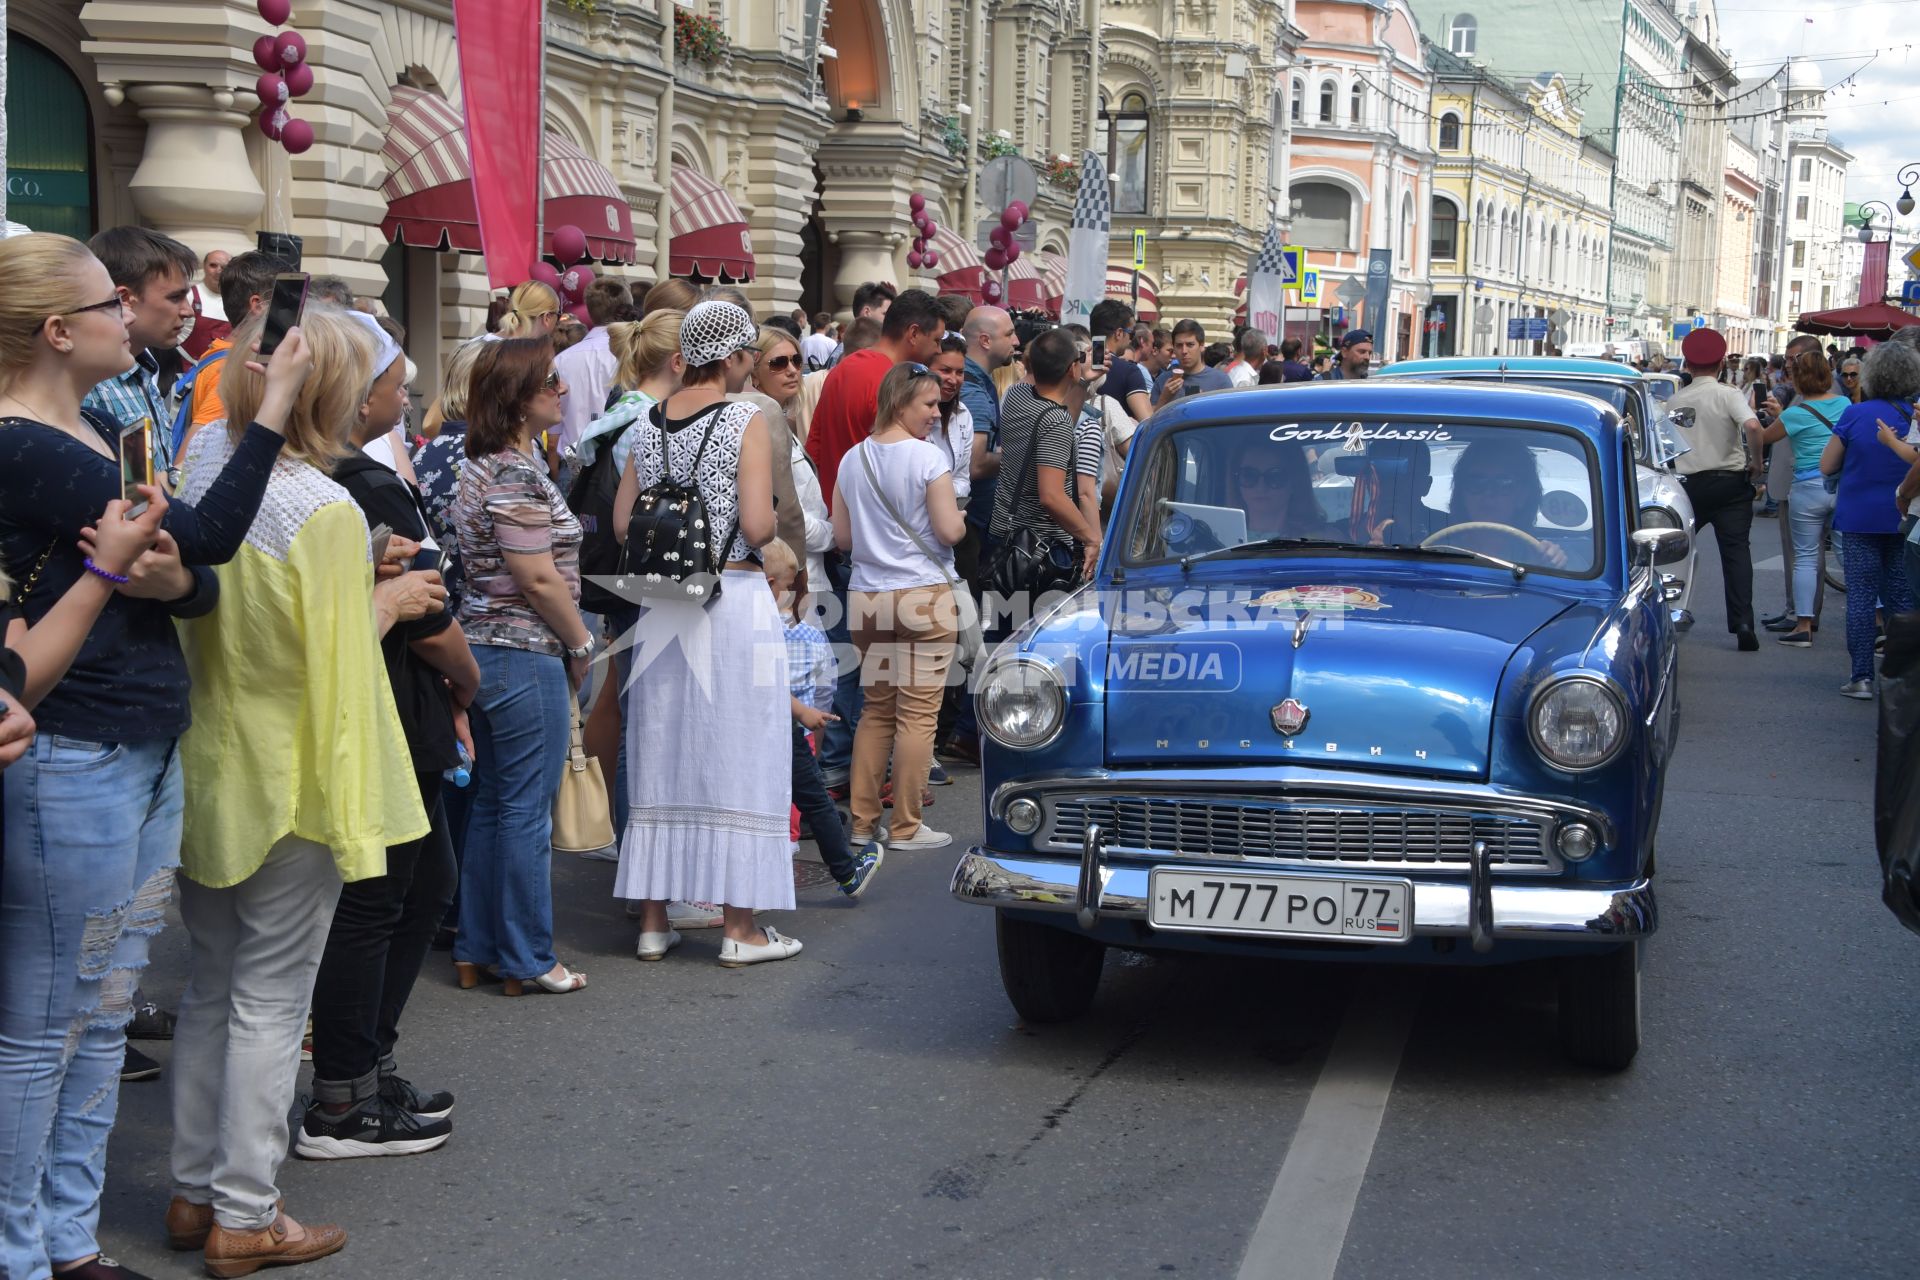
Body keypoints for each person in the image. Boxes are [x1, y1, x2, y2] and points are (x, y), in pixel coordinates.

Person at [0, 231, 314, 1280]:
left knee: (99, 1009)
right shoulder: (28, 444)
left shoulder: (87, 424)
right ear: (58, 330)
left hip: (130, 740)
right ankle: (24, 1251)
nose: (136, 319)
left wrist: (174, 576)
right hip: (76, 746)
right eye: (108, 305)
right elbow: (210, 535)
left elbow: (190, 571)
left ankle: (66, 1239)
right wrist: (268, 413)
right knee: (50, 1019)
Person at [166, 303, 443, 1276]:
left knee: (210, 986)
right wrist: (384, 594)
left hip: (209, 760)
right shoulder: (320, 506)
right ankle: (246, 1206)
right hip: (293, 774)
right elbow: (337, 660)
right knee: (270, 1003)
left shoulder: (203, 457)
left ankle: (198, 1190)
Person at [296, 314, 478, 1161]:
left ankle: (364, 1067)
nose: (404, 399)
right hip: (391, 702)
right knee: (380, 896)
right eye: (394, 385)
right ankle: (344, 1095)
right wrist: (466, 683)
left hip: (386, 698)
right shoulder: (353, 481)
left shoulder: (333, 472)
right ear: (353, 388)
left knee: (419, 883)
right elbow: (428, 609)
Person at [611, 301, 800, 967]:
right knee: (741, 756)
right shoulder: (743, 418)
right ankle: (740, 928)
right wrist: (772, 529)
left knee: (663, 752)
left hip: (666, 602)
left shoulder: (647, 418)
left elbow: (621, 522)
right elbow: (755, 526)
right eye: (750, 353)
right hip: (734, 599)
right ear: (734, 356)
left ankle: (655, 922)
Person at [450, 336, 593, 995]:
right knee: (521, 811)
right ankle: (526, 955)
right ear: (518, 398)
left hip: (490, 646)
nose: (561, 392)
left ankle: (480, 947)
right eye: (550, 383)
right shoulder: (510, 469)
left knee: (493, 806)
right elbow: (536, 577)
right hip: (520, 647)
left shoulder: (491, 462)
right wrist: (580, 643)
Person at [806, 290, 946, 788]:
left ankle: (843, 770)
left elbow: (817, 445)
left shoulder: (843, 369)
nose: (937, 349)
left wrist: (839, 515)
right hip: (899, 557)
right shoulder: (888, 388)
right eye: (934, 339)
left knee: (858, 674)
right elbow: (897, 468)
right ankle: (891, 788)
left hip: (851, 542)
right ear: (912, 333)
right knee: (901, 705)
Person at [831, 363, 967, 852]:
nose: (936, 412)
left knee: (875, 712)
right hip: (922, 595)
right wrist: (961, 520)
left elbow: (843, 538)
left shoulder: (852, 460)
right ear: (900, 402)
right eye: (929, 404)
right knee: (917, 717)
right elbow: (950, 532)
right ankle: (907, 826)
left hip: (868, 597)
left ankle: (863, 824)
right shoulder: (928, 459)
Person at [762, 538, 877, 897]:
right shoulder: (809, 634)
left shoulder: (747, 628)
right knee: (813, 797)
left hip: (758, 726)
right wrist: (810, 713)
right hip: (790, 725)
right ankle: (846, 872)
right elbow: (826, 682)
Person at [1822, 340, 1920, 698]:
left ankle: (1861, 676)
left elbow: (1827, 465)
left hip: (1859, 516)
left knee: (1861, 598)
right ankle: (1903, 676)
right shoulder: (1915, 413)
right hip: (1906, 517)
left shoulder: (1855, 414)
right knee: (1902, 596)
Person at [1669, 326, 1764, 650]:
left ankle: (1671, 612)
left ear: (1687, 363)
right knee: (1736, 553)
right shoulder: (1728, 394)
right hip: (1729, 483)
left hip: (1689, 486)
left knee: (1677, 551)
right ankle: (1743, 622)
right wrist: (1757, 460)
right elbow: (1752, 424)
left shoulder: (1675, 401)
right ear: (1722, 362)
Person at [82, 227, 199, 484]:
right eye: (175, 297)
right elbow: (131, 496)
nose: (188, 311)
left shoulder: (143, 369)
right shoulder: (91, 384)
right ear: (125, 299)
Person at [990, 328, 1101, 582]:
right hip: (1037, 553)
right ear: (1072, 367)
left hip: (1003, 537)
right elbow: (1051, 496)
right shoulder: (1054, 422)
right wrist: (1090, 537)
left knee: (1003, 619)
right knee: (1034, 621)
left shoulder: (1017, 395)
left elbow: (1058, 420)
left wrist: (1082, 382)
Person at [1766, 347, 1846, 648]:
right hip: (1839, 486)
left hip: (1806, 489)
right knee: (1850, 555)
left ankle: (1803, 625)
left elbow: (1765, 437)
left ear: (1797, 380)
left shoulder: (1795, 414)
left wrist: (1779, 416)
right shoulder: (1844, 404)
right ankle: (1877, 620)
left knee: (1806, 558)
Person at [184, 250, 285, 445]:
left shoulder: (225, 353)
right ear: (259, 306)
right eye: (286, 301)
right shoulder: (232, 370)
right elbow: (189, 457)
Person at [553, 278, 630, 460]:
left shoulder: (559, 361)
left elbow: (553, 433)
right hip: (614, 461)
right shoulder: (628, 356)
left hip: (572, 460)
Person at [1228, 435, 1323, 540]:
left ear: (1295, 482)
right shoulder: (1218, 541)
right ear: (1236, 481)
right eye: (1249, 475)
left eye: (1275, 476)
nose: (1261, 487)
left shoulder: (1324, 543)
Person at [1090, 299, 1150, 422]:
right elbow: (1147, 422)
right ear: (1119, 333)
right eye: (1131, 334)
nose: (1131, 340)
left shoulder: (1074, 365)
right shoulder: (1129, 371)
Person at [1152, 318, 1233, 405]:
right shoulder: (1163, 381)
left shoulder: (1220, 380)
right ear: (1174, 348)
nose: (1184, 351)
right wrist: (1164, 398)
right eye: (1179, 345)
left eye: (1190, 345)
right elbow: (1150, 417)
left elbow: (1230, 415)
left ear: (1201, 346)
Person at [182, 247, 232, 361]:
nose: (218, 271)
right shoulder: (189, 296)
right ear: (204, 266)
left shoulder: (236, 301)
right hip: (189, 370)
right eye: (213, 265)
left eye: (224, 267)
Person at [495, 280, 561, 342]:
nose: (557, 322)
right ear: (547, 317)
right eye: (558, 314)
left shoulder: (487, 343)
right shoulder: (533, 352)